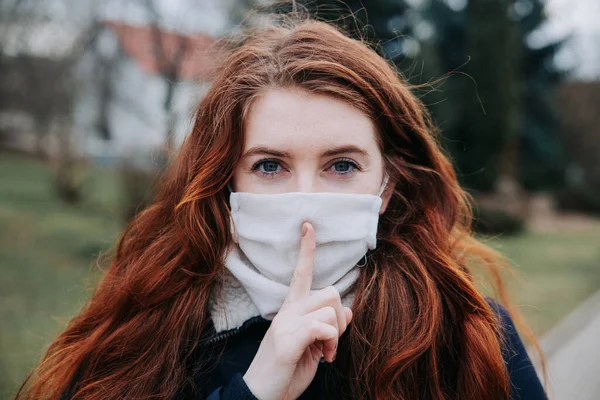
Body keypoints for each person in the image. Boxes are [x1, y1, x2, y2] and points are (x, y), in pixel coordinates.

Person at [17, 12, 547, 400]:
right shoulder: (147, 327)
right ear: (226, 182)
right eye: (270, 166)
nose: (307, 203)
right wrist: (255, 390)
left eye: (342, 166)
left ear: (386, 187)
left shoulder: (465, 333)